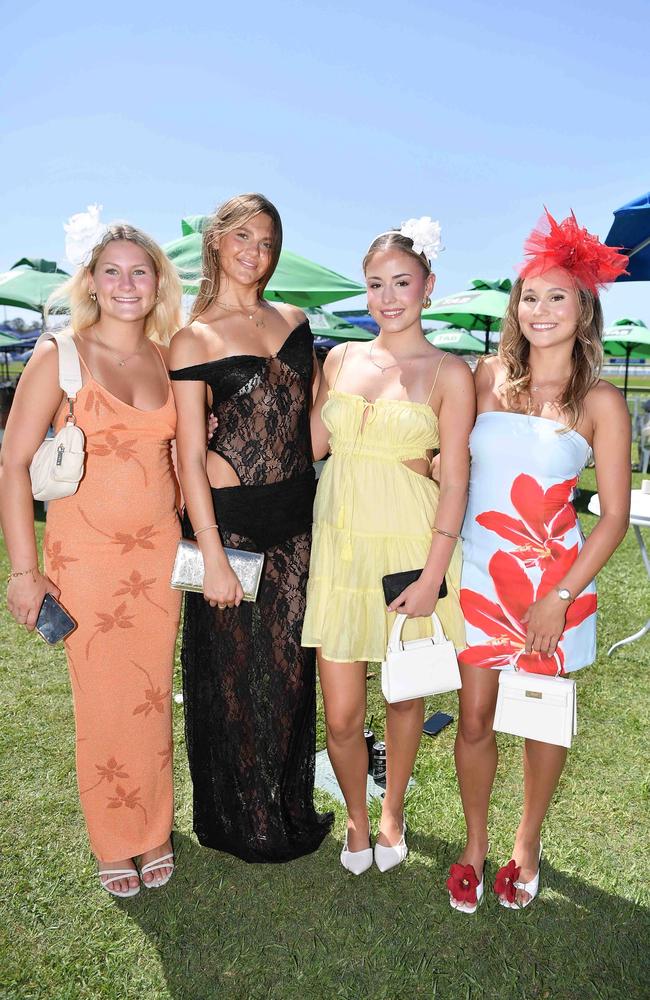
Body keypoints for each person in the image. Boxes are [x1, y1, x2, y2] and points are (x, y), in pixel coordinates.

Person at [448, 210, 630, 913]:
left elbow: (612, 517)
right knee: (473, 720)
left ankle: (525, 845)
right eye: (530, 295)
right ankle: (472, 843)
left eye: (558, 296)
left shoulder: (601, 402)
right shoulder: (484, 374)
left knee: (541, 722)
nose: (541, 309)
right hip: (480, 575)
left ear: (584, 310)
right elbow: (459, 463)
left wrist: (559, 596)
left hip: (555, 586)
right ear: (514, 308)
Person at [0, 218, 184, 898]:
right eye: (113, 271)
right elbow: (13, 462)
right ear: (91, 283)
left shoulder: (170, 357)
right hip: (85, 559)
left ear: (158, 282)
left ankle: (155, 828)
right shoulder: (60, 355)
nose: (127, 283)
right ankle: (115, 838)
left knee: (150, 695)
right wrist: (25, 569)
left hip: (158, 558)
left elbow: (175, 453)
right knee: (102, 701)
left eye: (140, 271)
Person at [302, 219, 475, 874]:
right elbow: (309, 448)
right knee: (341, 714)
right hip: (340, 551)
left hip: (411, 548)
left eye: (402, 282)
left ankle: (394, 810)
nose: (388, 296)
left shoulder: (450, 372)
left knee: (405, 696)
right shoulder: (340, 359)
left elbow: (453, 479)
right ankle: (354, 815)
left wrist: (435, 574)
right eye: (376, 284)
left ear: (428, 287)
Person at [169, 193, 333, 863]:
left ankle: (287, 801)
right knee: (236, 674)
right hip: (230, 528)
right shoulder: (193, 336)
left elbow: (316, 427)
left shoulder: (296, 321)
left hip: (297, 518)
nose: (255, 252)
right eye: (242, 237)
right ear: (216, 242)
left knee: (293, 671)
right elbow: (186, 453)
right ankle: (244, 817)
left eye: (267, 241)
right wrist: (209, 554)